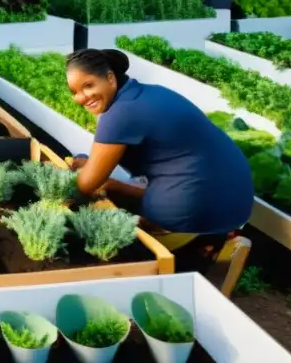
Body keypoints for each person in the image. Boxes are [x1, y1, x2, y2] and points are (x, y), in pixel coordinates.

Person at [65, 48, 254, 266]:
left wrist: (57, 196)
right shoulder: (146, 93)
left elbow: (87, 185)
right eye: (75, 91)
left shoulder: (120, 113)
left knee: (113, 247)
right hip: (232, 201)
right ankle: (213, 241)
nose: (81, 98)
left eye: (88, 86)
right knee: (114, 189)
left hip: (198, 207)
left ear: (110, 78)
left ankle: (193, 249)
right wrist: (106, 179)